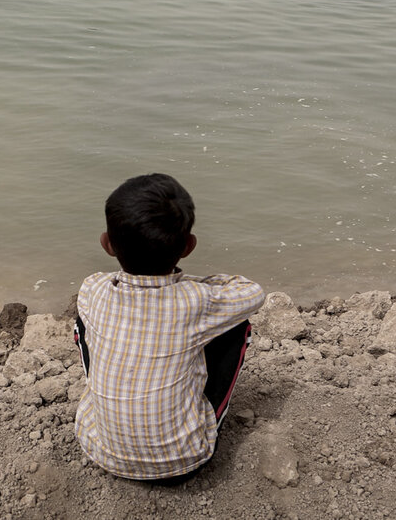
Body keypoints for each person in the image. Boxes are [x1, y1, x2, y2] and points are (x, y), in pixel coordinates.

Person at [73, 173, 265, 481]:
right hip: (183, 462)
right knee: (236, 325)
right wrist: (190, 284)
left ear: (107, 244)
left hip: (100, 451)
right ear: (189, 246)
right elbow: (253, 292)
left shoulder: (93, 288)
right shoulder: (196, 299)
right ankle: (204, 413)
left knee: (84, 319)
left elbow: (95, 287)